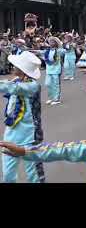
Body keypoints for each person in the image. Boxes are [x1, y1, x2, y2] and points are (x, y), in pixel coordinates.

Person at [0, 51, 45, 182]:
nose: (13, 67)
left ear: (23, 70)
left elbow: (13, 88)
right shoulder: (17, 81)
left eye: (16, 65)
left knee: (34, 174)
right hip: (12, 132)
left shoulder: (33, 86)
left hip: (30, 135)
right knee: (8, 173)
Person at [31, 36, 65, 105]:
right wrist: (32, 51)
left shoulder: (59, 50)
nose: (51, 43)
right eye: (50, 42)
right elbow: (40, 52)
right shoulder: (47, 51)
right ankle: (51, 97)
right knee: (48, 83)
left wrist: (60, 46)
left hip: (56, 70)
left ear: (56, 43)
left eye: (53, 42)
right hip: (49, 70)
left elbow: (64, 51)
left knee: (56, 84)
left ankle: (56, 99)